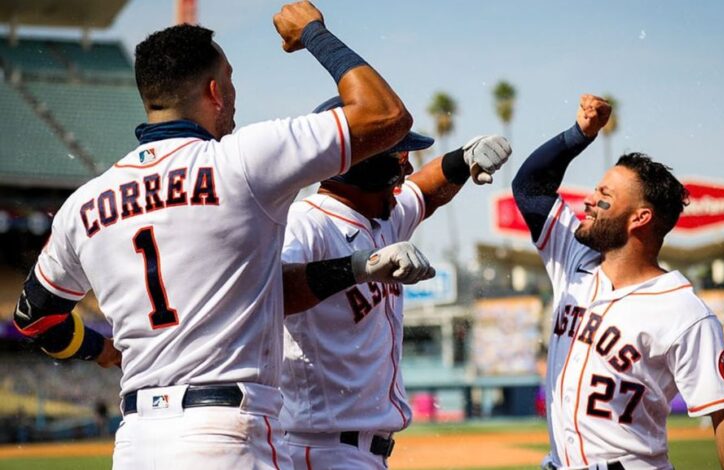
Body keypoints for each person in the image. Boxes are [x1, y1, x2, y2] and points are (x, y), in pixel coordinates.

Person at [12, 1, 419, 468]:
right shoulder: (239, 163)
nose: (234, 95)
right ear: (214, 91)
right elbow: (385, 115)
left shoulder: (84, 203)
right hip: (225, 435)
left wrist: (103, 351)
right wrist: (312, 33)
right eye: (231, 81)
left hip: (136, 442)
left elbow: (36, 317)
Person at [512, 94, 724, 470]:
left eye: (604, 195)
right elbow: (528, 187)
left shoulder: (684, 311)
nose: (589, 200)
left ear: (639, 218)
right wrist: (579, 135)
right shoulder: (573, 256)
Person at [280, 95, 512, 469]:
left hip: (359, 452)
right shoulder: (306, 223)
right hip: (321, 448)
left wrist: (463, 158)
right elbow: (275, 291)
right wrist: (360, 267)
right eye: (398, 158)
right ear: (365, 163)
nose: (405, 172)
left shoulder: (381, 217)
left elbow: (425, 190)